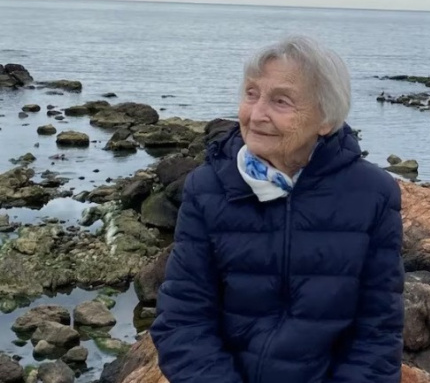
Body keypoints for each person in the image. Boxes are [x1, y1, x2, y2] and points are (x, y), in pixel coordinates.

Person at [150, 35, 405, 383]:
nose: (256, 115)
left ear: (325, 119)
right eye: (251, 94)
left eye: (280, 101)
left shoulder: (373, 194)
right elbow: (183, 320)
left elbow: (378, 331)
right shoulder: (207, 189)